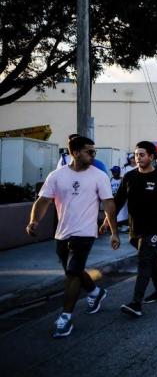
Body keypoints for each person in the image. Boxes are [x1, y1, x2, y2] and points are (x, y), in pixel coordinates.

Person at [27, 136, 119, 338]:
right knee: (73, 271)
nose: (93, 155)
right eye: (90, 152)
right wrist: (34, 221)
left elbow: (109, 205)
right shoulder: (57, 175)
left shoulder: (99, 175)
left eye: (94, 152)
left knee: (72, 273)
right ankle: (95, 292)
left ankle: (65, 318)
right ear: (75, 153)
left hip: (86, 232)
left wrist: (114, 232)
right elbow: (43, 201)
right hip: (62, 233)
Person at [110, 141, 157, 318]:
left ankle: (136, 303)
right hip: (135, 228)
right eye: (136, 155)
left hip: (154, 227)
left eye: (141, 155)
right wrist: (108, 222)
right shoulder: (129, 177)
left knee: (144, 260)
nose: (137, 158)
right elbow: (118, 202)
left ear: (151, 157)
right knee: (150, 258)